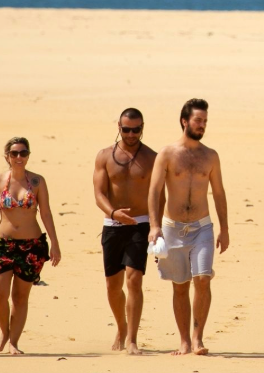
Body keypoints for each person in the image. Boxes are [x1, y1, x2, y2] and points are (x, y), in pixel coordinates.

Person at [147, 98, 230, 355]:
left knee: (203, 279)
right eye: (198, 120)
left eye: (205, 121)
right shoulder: (167, 154)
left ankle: (197, 339)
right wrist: (154, 226)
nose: (202, 125)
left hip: (202, 227)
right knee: (180, 285)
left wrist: (224, 229)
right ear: (184, 121)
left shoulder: (211, 156)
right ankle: (183, 341)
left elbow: (219, 193)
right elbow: (154, 191)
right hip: (172, 228)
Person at [0, 137, 61, 354]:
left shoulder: (37, 182)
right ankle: (4, 332)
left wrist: (55, 243)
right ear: (7, 156)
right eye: (14, 153)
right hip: (2, 245)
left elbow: (46, 213)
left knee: (20, 297)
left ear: (28, 155)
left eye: (23, 153)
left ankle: (13, 341)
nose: (19, 157)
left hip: (31, 247)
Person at [93, 108, 157, 354]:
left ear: (143, 128)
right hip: (113, 225)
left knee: (134, 280)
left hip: (140, 224)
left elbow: (159, 196)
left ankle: (132, 340)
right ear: (118, 127)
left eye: (136, 129)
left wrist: (157, 226)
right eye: (127, 129)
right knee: (112, 285)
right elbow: (99, 193)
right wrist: (113, 213)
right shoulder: (104, 156)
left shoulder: (152, 158)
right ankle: (122, 326)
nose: (131, 134)